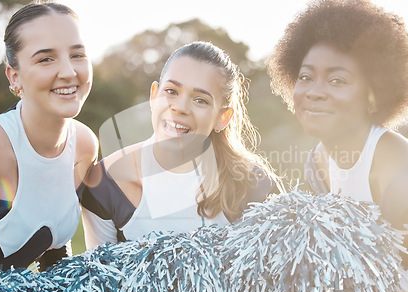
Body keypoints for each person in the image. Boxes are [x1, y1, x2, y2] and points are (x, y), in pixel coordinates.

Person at [267, 0, 408, 292]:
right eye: (305, 76)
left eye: (337, 80)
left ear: (374, 96)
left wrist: (370, 288)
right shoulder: (317, 164)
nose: (314, 91)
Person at [80, 41, 277, 248]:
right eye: (172, 91)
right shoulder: (106, 182)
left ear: (222, 117)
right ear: (154, 95)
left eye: (200, 100)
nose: (180, 108)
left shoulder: (254, 184)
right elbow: (98, 277)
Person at [0, 2, 98, 292]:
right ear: (14, 77)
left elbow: (54, 247)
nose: (68, 71)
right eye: (46, 59)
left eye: (77, 54)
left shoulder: (85, 145)